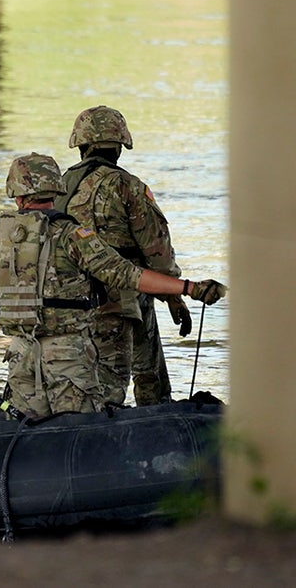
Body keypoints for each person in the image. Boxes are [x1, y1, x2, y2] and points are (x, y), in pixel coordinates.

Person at [0, 153, 225, 419]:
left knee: (27, 439)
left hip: (21, 358)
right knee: (80, 435)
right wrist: (187, 288)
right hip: (68, 359)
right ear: (56, 189)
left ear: (17, 197)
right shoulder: (73, 236)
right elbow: (126, 274)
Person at [57, 105, 187, 406]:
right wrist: (173, 295)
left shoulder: (58, 187)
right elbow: (158, 251)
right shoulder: (128, 186)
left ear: (81, 145)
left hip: (70, 297)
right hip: (128, 295)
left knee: (85, 379)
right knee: (147, 375)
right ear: (119, 147)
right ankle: (156, 429)